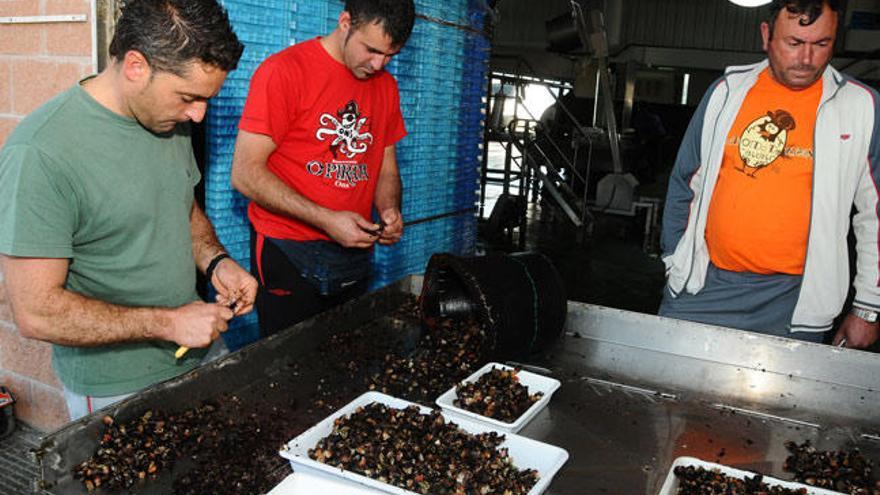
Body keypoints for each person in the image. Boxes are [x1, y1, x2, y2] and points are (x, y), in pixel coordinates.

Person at [0, 0, 257, 420]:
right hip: (114, 388)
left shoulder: (168, 119)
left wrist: (217, 263)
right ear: (136, 66)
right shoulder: (41, 153)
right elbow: (35, 311)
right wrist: (168, 324)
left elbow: (182, 209)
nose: (198, 113)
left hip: (201, 352)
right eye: (190, 97)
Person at [659, 0, 880, 349]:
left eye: (822, 44)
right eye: (794, 43)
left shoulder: (861, 106)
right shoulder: (726, 93)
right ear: (767, 35)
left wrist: (867, 308)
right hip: (704, 286)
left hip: (796, 302)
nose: (807, 59)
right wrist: (675, 259)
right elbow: (686, 182)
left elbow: (875, 215)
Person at [231, 0, 415, 336]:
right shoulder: (285, 71)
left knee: (345, 358)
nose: (378, 64)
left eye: (391, 55)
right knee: (287, 365)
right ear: (345, 22)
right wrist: (327, 219)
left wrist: (389, 210)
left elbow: (386, 166)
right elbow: (245, 174)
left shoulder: (386, 86)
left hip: (353, 250)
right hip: (289, 250)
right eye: (371, 50)